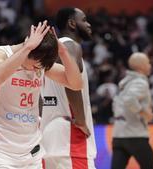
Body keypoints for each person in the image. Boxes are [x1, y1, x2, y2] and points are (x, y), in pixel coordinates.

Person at [0, 20, 84, 169]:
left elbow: (76, 83)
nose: (37, 70)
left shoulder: (39, 63)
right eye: (35, 66)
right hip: (1, 153)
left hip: (32, 152)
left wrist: (63, 52)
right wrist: (27, 47)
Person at [41, 8, 97, 169]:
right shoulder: (70, 46)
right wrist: (80, 120)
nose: (88, 24)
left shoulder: (49, 51)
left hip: (49, 134)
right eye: (84, 20)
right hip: (70, 135)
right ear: (72, 23)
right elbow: (71, 84)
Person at [111, 52, 153, 169]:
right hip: (135, 135)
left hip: (118, 135)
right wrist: (145, 113)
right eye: (148, 62)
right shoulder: (140, 82)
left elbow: (116, 104)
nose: (150, 65)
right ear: (141, 66)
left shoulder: (123, 83)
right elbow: (130, 100)